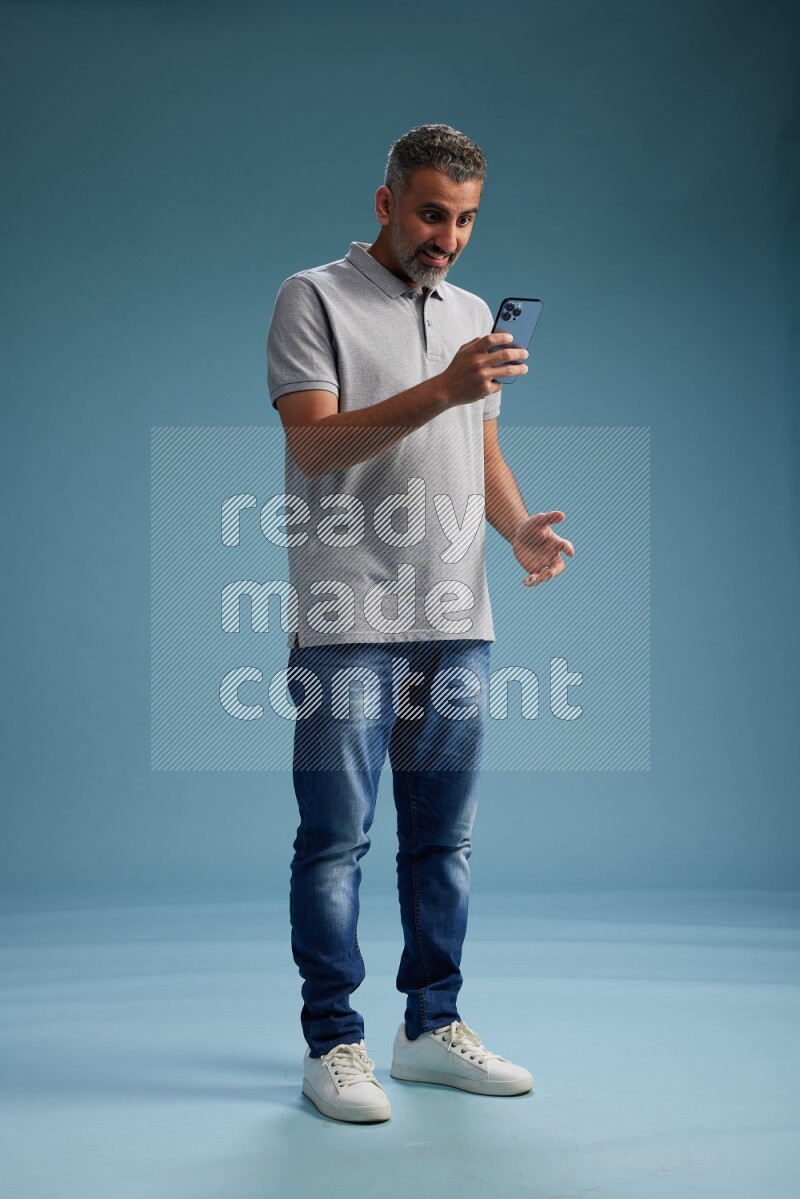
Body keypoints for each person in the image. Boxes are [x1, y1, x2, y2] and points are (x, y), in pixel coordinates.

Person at [266, 124, 574, 1123]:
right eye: (431, 212)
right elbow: (315, 447)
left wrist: (519, 526)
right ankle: (334, 1043)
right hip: (346, 612)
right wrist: (443, 384)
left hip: (455, 611)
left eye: (465, 219)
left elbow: (476, 451)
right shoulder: (311, 297)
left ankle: (427, 1026)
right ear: (385, 202)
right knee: (335, 840)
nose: (446, 236)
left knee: (443, 841)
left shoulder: (472, 311)